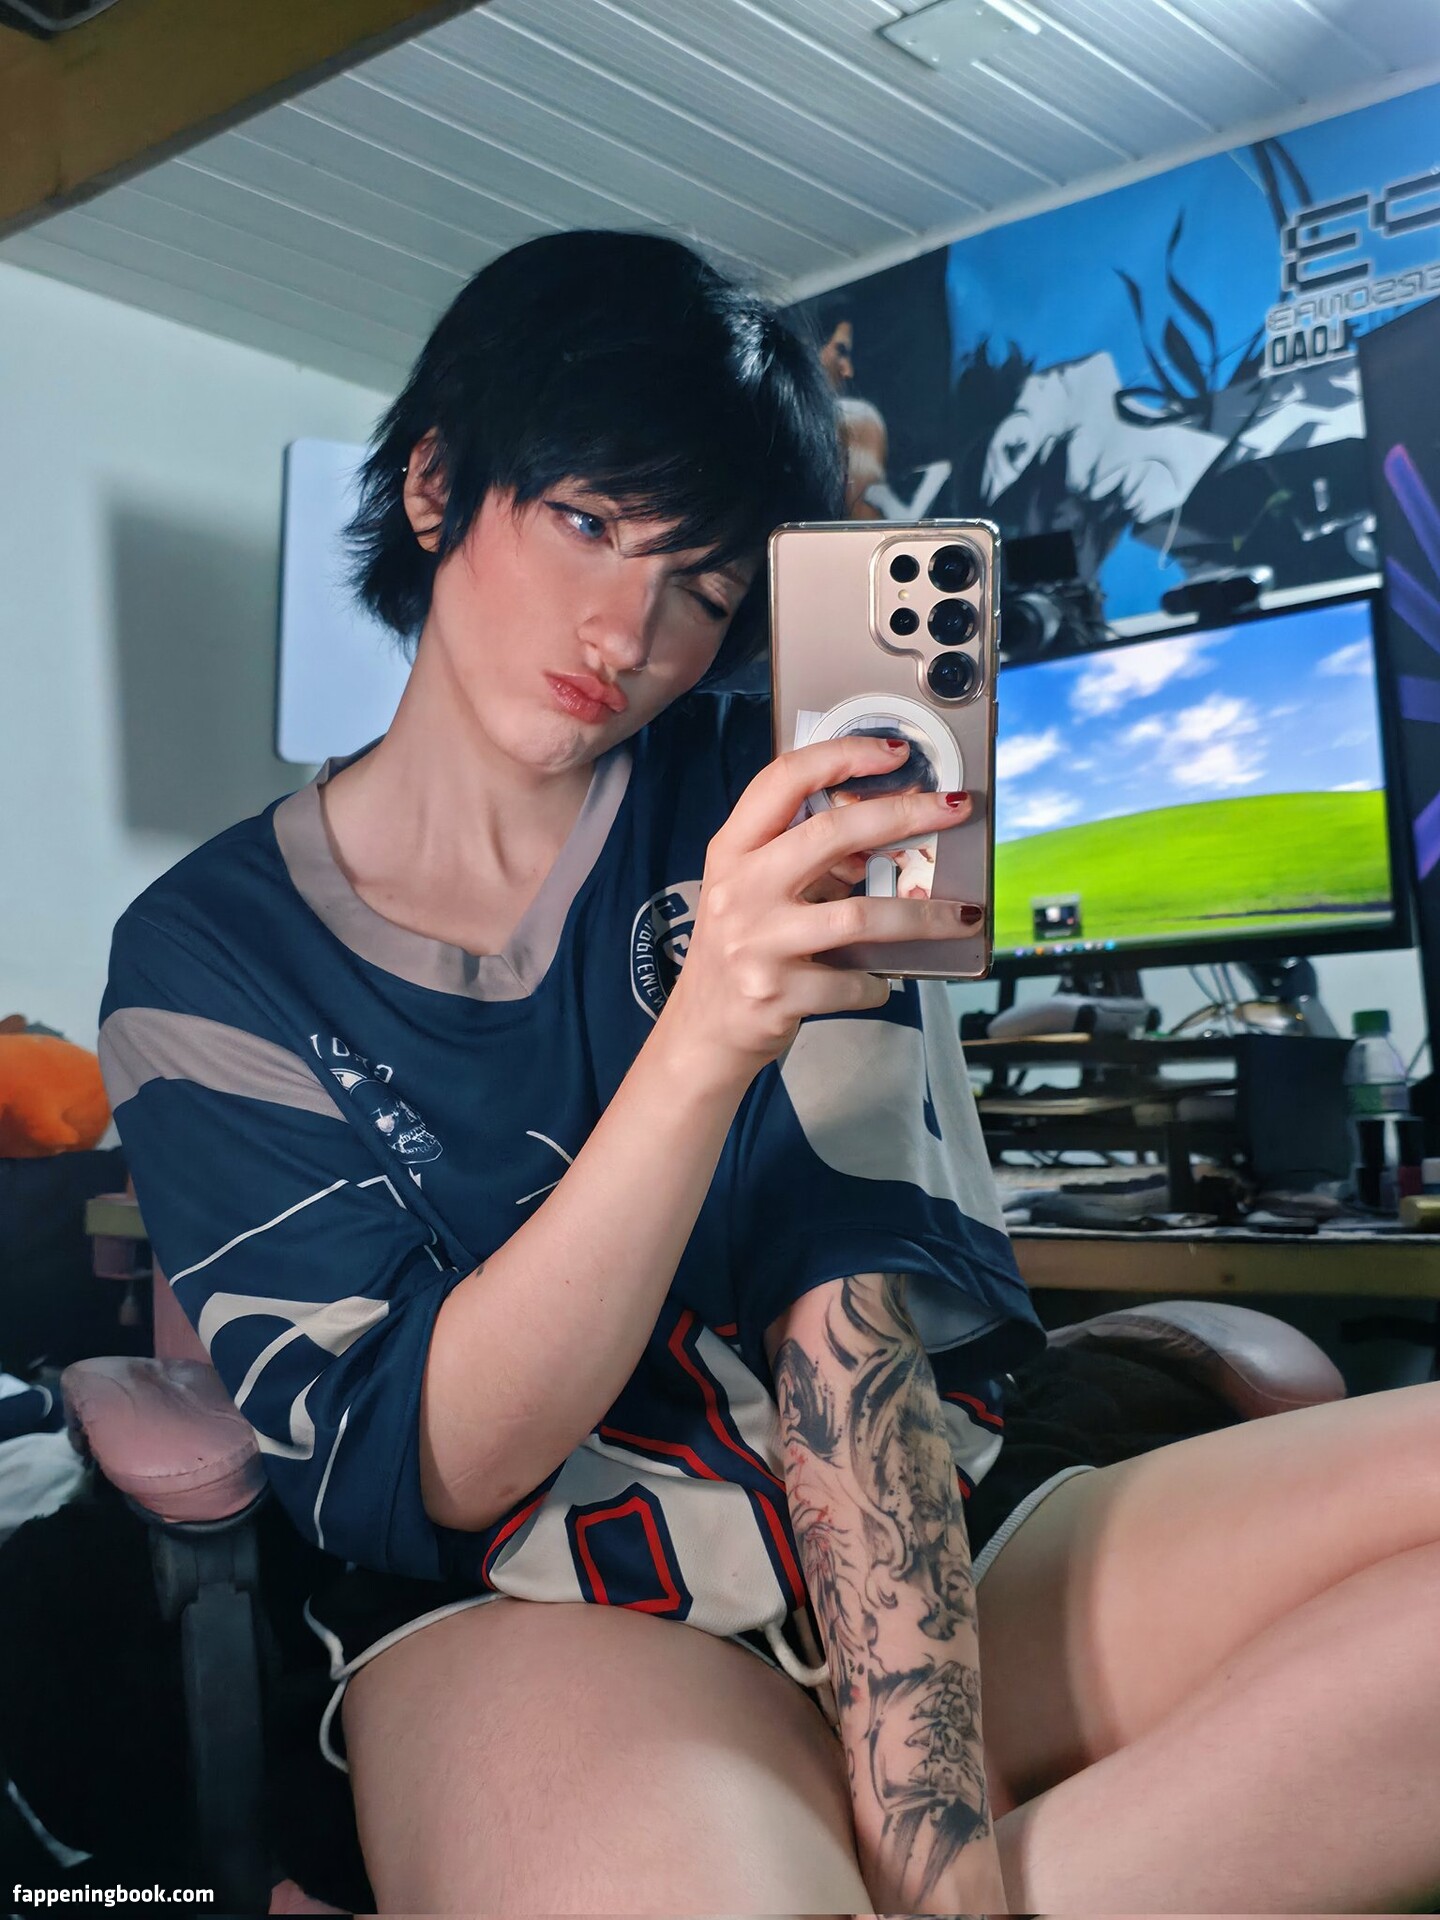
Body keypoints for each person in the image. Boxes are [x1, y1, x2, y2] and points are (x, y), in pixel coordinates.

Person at [96, 232, 1440, 1916]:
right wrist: (704, 1040)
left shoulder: (777, 788)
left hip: (918, 1522)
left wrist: (940, 1862)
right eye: (588, 522)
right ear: (435, 486)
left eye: (706, 584)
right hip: (534, 1600)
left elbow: (843, 1310)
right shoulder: (204, 951)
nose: (628, 629)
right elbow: (430, 1463)